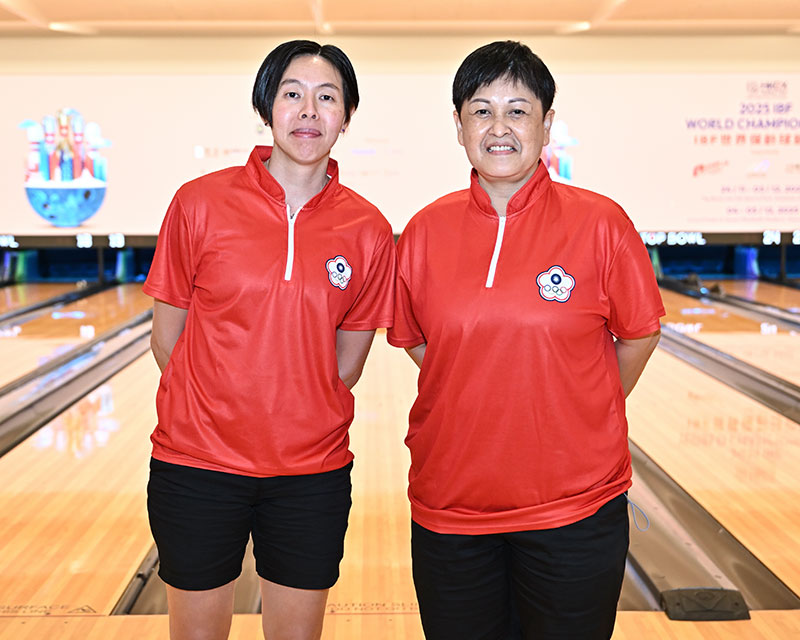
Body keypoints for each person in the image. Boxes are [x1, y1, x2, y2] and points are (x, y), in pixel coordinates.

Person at [388, 41, 665, 640]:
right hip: (450, 506)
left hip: (575, 508)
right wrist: (481, 388)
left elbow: (640, 334)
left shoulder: (601, 223)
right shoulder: (425, 231)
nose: (499, 128)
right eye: (481, 111)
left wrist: (577, 407)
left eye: (517, 110)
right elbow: (416, 339)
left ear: (547, 123)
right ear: (458, 125)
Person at [143, 40, 395, 640]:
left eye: (327, 97)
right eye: (292, 94)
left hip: (310, 474)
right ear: (266, 107)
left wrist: (292, 412)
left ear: (346, 116)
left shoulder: (368, 229)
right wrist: (217, 413)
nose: (309, 111)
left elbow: (347, 364)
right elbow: (166, 339)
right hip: (197, 466)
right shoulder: (199, 203)